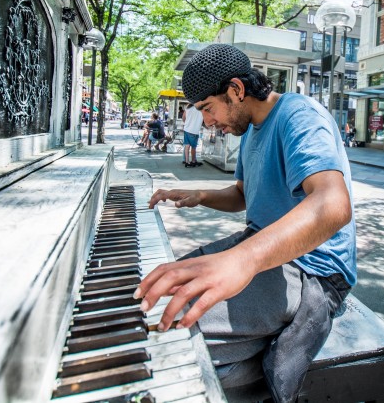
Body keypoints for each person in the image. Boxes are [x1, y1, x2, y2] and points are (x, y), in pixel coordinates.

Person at [138, 44, 356, 402]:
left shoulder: (299, 114)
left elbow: (332, 204)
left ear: (236, 90)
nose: (206, 122)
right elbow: (243, 193)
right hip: (265, 248)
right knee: (162, 289)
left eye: (207, 108)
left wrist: (242, 259)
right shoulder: (252, 129)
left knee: (173, 326)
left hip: (314, 269)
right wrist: (200, 195)